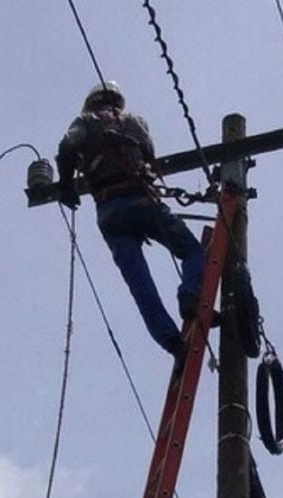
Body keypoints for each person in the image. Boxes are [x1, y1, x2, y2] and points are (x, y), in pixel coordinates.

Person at [55, 81, 207, 370]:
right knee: (191, 251)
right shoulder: (135, 122)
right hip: (142, 202)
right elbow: (148, 154)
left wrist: (66, 187)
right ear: (118, 101)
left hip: (110, 213)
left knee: (140, 284)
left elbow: (66, 147)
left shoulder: (85, 122)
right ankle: (190, 294)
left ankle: (172, 342)